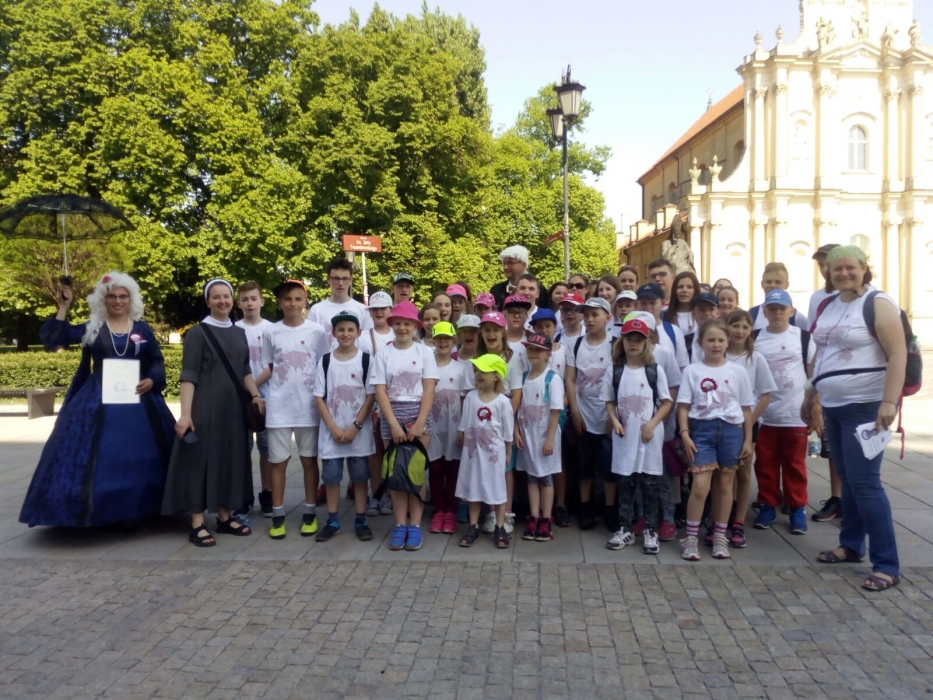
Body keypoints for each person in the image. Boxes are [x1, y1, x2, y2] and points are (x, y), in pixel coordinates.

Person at [21, 272, 176, 529]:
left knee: (140, 454)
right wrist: (64, 306)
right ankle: (103, 512)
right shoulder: (93, 327)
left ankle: (139, 510)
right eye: (112, 296)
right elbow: (54, 340)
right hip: (96, 400)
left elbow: (157, 360)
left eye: (123, 296)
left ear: (131, 299)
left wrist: (152, 379)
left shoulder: (142, 329)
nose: (118, 301)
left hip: (140, 401)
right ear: (103, 300)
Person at [804, 245, 905, 592]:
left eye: (850, 267)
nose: (843, 273)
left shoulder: (878, 302)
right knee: (848, 478)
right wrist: (810, 395)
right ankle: (850, 545)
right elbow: (822, 354)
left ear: (864, 267)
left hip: (866, 406)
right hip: (833, 404)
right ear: (828, 273)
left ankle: (887, 564)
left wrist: (889, 402)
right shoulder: (829, 304)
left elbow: (898, 354)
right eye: (837, 269)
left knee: (865, 483)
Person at [162, 279, 264, 546]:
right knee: (201, 463)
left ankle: (224, 516)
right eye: (216, 297)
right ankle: (197, 523)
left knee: (230, 459)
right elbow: (189, 375)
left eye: (226, 296)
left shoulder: (239, 332)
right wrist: (186, 414)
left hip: (234, 411)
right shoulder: (197, 333)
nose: (222, 301)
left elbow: (245, 370)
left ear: (232, 300)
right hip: (205, 409)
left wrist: (255, 395)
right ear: (208, 301)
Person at [677, 320, 754, 561]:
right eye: (710, 340)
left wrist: (748, 439)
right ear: (700, 343)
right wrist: (685, 434)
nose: (716, 344)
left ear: (728, 342)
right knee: (700, 485)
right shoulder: (692, 371)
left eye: (721, 340)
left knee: (724, 484)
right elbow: (683, 406)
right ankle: (691, 537)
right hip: (702, 431)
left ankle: (720, 534)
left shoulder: (738, 372)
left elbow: (746, 408)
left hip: (731, 431)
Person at [257, 279, 329, 540]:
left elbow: (323, 366)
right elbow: (270, 366)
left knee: (309, 460)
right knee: (278, 461)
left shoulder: (317, 332)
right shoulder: (271, 332)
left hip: (308, 406)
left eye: (298, 298)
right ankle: (278, 515)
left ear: (305, 301)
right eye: (287, 299)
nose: (293, 303)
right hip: (279, 407)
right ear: (279, 302)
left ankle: (309, 512)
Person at [371, 300, 438, 552]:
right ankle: (400, 524)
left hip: (418, 414)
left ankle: (416, 525)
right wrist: (393, 424)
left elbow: (429, 388)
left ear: (415, 326)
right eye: (397, 323)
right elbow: (380, 390)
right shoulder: (384, 353)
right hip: (392, 415)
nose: (402, 328)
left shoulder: (424, 352)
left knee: (416, 472)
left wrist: (420, 422)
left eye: (407, 324)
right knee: (396, 473)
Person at [602, 317, 673, 554]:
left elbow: (666, 402)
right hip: (625, 436)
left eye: (638, 340)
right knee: (625, 482)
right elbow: (609, 401)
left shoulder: (654, 371)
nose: (633, 344)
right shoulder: (615, 371)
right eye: (629, 339)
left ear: (646, 343)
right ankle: (625, 527)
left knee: (649, 484)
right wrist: (614, 421)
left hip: (648, 437)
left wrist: (652, 423)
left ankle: (651, 529)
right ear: (622, 342)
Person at [751, 291, 813, 535]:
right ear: (764, 312)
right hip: (764, 414)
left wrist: (814, 406)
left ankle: (797, 508)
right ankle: (767, 504)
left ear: (791, 311)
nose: (777, 313)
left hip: (794, 412)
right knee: (764, 463)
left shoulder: (803, 338)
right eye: (772, 308)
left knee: (794, 465)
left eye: (781, 308)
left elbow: (813, 375)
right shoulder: (755, 337)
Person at [313, 312, 376, 542]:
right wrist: (332, 427)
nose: (345, 334)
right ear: (333, 333)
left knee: (359, 476)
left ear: (358, 333)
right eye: (341, 330)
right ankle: (333, 520)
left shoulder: (366, 360)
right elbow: (319, 397)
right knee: (331, 477)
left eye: (350, 330)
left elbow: (371, 396)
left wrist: (355, 426)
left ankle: (361, 519)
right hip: (332, 432)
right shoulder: (325, 361)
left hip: (358, 432)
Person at [723, 309, 775, 548]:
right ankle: (722, 517)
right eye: (735, 326)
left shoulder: (756, 358)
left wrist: (750, 421)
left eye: (745, 327)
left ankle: (739, 521)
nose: (740, 331)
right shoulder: (719, 353)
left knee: (743, 473)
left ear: (750, 330)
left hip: (747, 424)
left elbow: (766, 394)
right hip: (722, 422)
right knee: (724, 474)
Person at [565, 297, 615, 531]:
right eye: (586, 315)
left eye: (595, 314)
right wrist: (575, 411)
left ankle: (610, 507)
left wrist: (613, 417)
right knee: (584, 464)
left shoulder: (615, 345)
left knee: (608, 465)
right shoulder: (576, 345)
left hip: (607, 417)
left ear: (608, 317)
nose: (590, 319)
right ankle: (586, 505)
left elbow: (619, 380)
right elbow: (571, 379)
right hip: (584, 415)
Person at [456, 354, 514, 548]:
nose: (478, 375)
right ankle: (473, 526)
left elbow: (507, 431)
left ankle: (500, 526)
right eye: (477, 371)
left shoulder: (502, 402)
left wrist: (508, 453)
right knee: (473, 486)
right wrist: (462, 434)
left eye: (484, 371)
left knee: (497, 487)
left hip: (493, 454)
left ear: (496, 376)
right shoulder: (471, 397)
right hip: (473, 452)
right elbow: (465, 421)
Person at [477, 310, 523, 533]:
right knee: (486, 466)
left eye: (495, 330)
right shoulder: (478, 358)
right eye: (486, 330)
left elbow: (516, 394)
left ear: (503, 332)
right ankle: (491, 512)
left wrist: (507, 423)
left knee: (505, 467)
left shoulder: (513, 359)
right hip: (482, 423)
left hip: (503, 424)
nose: (491, 334)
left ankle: (507, 513)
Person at [807, 243, 844, 522]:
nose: (824, 269)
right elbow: (814, 342)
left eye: (827, 263)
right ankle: (837, 497)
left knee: (857, 450)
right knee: (832, 445)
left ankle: (855, 501)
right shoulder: (818, 298)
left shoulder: (867, 297)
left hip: (856, 385)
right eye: (820, 264)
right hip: (828, 380)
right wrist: (813, 392)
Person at [516, 334, 564, 542]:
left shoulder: (552, 378)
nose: (534, 353)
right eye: (530, 349)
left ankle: (546, 518)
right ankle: (533, 516)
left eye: (538, 349)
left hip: (545, 437)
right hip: (528, 437)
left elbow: (555, 411)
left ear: (548, 353)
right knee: (531, 477)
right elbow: (518, 408)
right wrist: (517, 432)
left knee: (545, 477)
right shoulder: (523, 378)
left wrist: (550, 439)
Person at [427, 321, 468, 535]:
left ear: (454, 341)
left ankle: (450, 510)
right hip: (432, 427)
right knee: (435, 468)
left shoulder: (461, 368)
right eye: (439, 338)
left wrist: (463, 428)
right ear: (433, 341)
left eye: (447, 338)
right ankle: (438, 510)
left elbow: (465, 400)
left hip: (454, 428)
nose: (443, 342)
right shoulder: (426, 366)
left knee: (452, 469)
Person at [237, 282, 274, 517]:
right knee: (243, 448)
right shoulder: (233, 329)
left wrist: (255, 388)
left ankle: (267, 493)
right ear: (239, 303)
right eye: (245, 299)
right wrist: (249, 391)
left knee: (266, 448)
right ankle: (245, 494)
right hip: (240, 397)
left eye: (253, 298)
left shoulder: (271, 329)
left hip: (267, 395)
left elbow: (273, 365)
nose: (249, 303)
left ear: (261, 301)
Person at [358, 291, 394, 518]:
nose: (379, 312)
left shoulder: (399, 332)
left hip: (395, 398)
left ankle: (390, 493)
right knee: (374, 450)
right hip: (370, 399)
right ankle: (376, 493)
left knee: (391, 449)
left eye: (383, 308)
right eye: (375, 309)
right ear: (370, 312)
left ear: (391, 310)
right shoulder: (362, 337)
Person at [308, 257, 372, 349]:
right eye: (336, 278)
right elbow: (311, 342)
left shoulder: (363, 310)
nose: (341, 283)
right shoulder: (316, 310)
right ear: (328, 279)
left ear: (350, 280)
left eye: (345, 278)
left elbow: (368, 344)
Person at [637, 283, 688, 370]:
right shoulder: (628, 331)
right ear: (636, 304)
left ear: (662, 303)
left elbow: (682, 365)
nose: (648, 307)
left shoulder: (674, 331)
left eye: (652, 303)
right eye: (643, 303)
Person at [748, 262, 809, 331]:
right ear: (762, 284)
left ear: (786, 285)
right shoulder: (753, 314)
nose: (772, 285)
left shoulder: (797, 318)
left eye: (778, 282)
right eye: (768, 282)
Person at [663, 271, 701, 337]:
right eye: (680, 287)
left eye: (689, 287)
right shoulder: (664, 316)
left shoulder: (702, 315)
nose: (684, 290)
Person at [687, 292, 721, 363]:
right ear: (694, 313)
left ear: (718, 313)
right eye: (702, 310)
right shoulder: (685, 341)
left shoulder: (726, 340)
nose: (707, 313)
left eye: (711, 309)